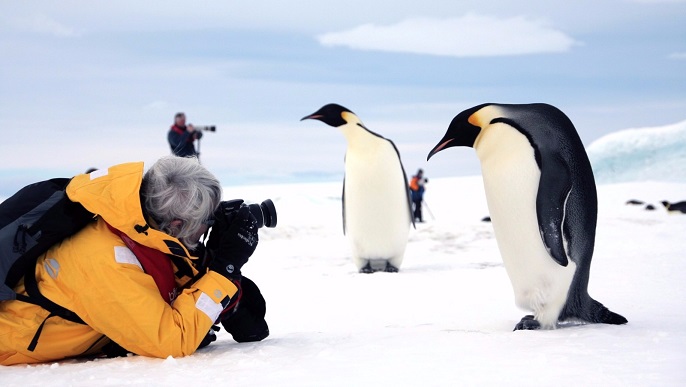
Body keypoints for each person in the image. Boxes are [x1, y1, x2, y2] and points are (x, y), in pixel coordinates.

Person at [0, 156, 268, 365]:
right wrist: (225, 267)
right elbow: (173, 341)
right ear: (176, 224)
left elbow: (178, 277)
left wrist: (215, 258)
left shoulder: (135, 225)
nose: (207, 227)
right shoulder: (105, 258)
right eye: (207, 221)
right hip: (9, 345)